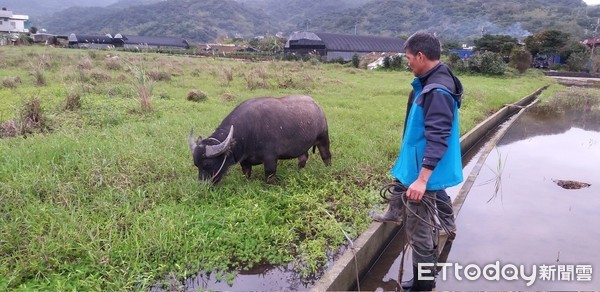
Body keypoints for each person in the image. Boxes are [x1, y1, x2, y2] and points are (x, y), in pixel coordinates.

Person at [380, 31, 463, 291]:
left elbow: (438, 138)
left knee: (419, 233)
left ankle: (423, 285)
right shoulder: (436, 79)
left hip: (422, 175)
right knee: (425, 223)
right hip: (419, 167)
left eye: (408, 58)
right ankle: (424, 277)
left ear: (420, 55)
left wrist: (421, 180)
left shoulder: (436, 90)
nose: (407, 63)